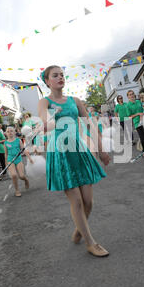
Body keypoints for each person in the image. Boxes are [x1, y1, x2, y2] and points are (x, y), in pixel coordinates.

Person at [37, 65, 110, 257]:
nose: (60, 77)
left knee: (88, 202)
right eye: (55, 75)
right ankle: (90, 242)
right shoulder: (44, 102)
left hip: (78, 150)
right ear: (47, 81)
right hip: (60, 152)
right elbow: (46, 125)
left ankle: (80, 227)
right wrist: (52, 118)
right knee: (77, 201)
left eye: (62, 74)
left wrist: (101, 149)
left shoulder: (75, 101)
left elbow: (90, 125)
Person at [4, 127, 33, 197]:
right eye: (8, 131)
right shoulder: (5, 143)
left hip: (18, 159)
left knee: (21, 176)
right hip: (10, 160)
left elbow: (24, 150)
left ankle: (26, 180)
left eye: (11, 131)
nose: (10, 132)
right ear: (6, 134)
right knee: (14, 175)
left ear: (14, 132)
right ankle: (17, 190)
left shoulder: (18, 140)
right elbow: (6, 154)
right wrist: (6, 164)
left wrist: (29, 158)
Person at [127, 90, 144, 159]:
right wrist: (138, 114)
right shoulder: (128, 105)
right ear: (128, 97)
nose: (132, 95)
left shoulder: (139, 101)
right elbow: (129, 116)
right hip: (137, 123)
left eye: (132, 94)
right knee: (143, 138)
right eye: (130, 94)